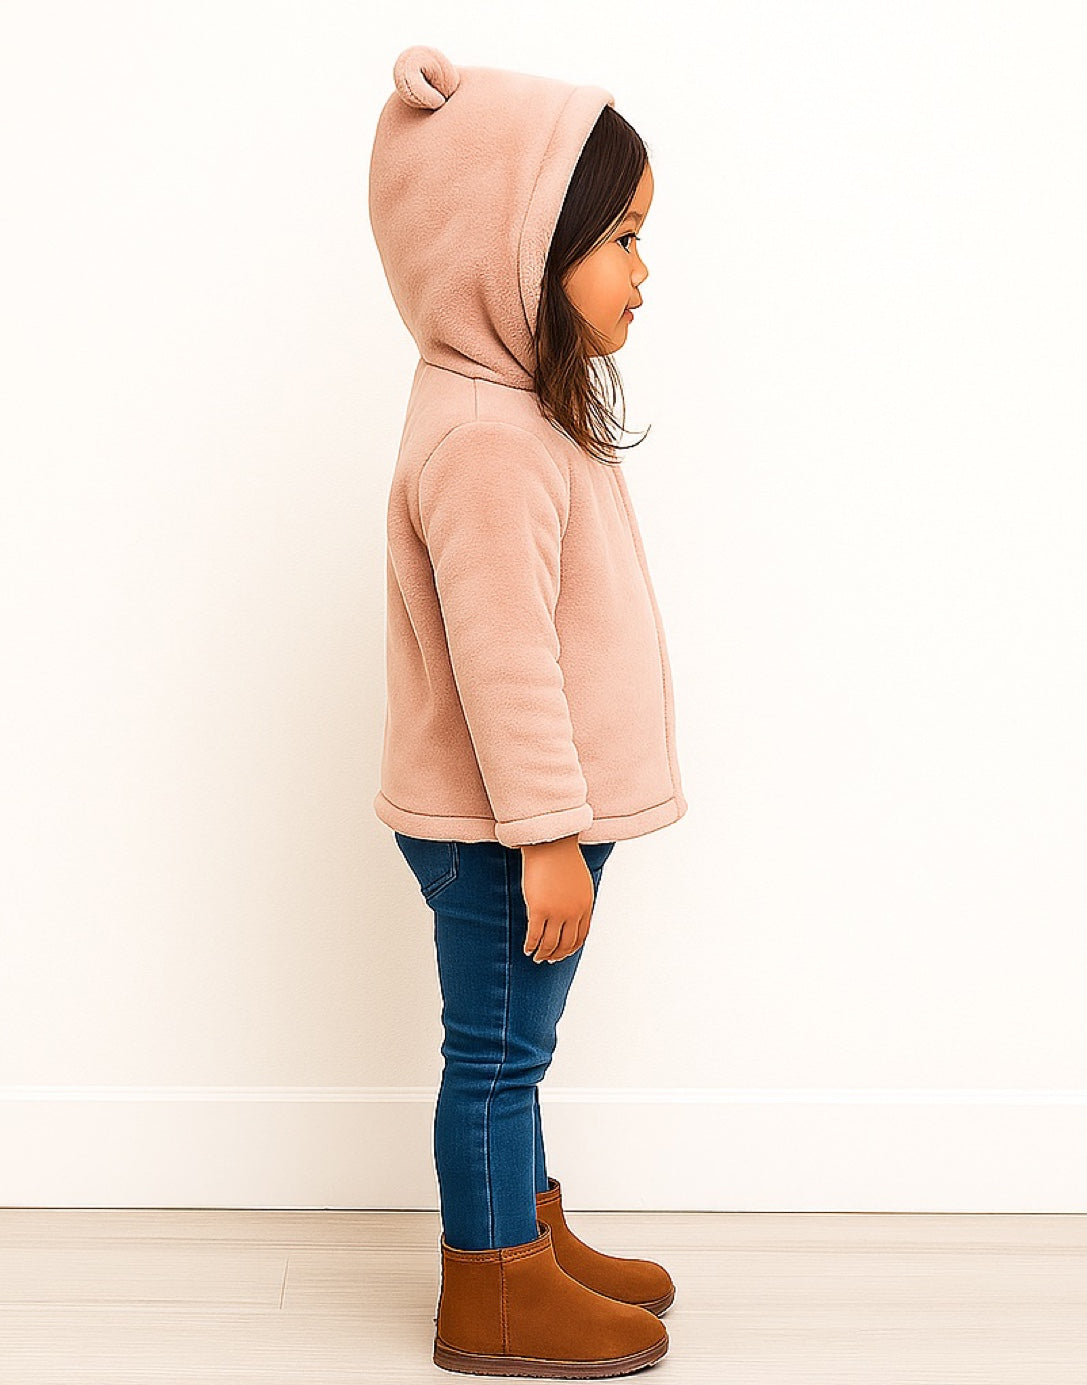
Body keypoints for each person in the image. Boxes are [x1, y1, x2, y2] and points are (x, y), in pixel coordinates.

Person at [368, 44, 687, 1378]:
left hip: (523, 819)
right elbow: (506, 662)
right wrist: (549, 832)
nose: (642, 267)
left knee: (516, 1048)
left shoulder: (511, 409)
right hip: (510, 825)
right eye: (618, 235)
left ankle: (529, 1236)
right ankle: (490, 1288)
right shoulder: (489, 441)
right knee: (495, 1055)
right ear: (519, 248)